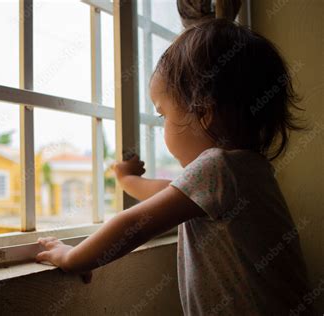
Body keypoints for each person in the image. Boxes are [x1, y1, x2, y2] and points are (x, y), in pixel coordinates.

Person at [35, 19, 315, 315]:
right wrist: (128, 179)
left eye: (162, 115)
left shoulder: (217, 166)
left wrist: (73, 257)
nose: (162, 125)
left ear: (203, 113)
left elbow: (134, 224)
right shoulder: (249, 168)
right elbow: (166, 194)